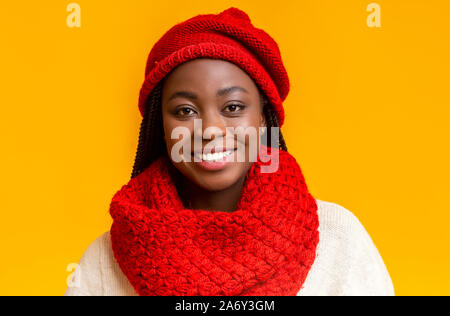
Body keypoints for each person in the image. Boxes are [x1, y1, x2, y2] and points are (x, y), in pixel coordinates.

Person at [65, 7, 394, 296]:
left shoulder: (340, 240)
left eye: (233, 107)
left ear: (263, 117)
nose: (211, 130)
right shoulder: (106, 259)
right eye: (185, 111)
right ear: (159, 125)